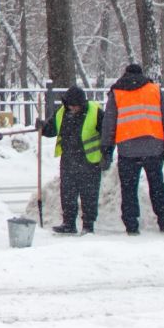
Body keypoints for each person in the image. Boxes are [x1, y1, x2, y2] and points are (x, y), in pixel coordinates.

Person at [101, 62, 164, 235]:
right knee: (157, 186)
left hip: (127, 148)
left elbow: (109, 124)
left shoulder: (117, 92)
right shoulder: (154, 89)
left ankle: (131, 224)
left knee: (129, 189)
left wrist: (107, 149)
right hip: (153, 147)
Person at [40, 85, 102, 234]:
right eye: (70, 105)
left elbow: (108, 133)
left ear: (82, 103)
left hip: (90, 160)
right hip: (68, 159)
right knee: (68, 193)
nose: (72, 108)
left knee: (89, 194)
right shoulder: (62, 112)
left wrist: (107, 154)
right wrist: (41, 126)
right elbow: (50, 130)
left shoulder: (95, 111)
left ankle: (88, 225)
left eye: (75, 106)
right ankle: (69, 223)